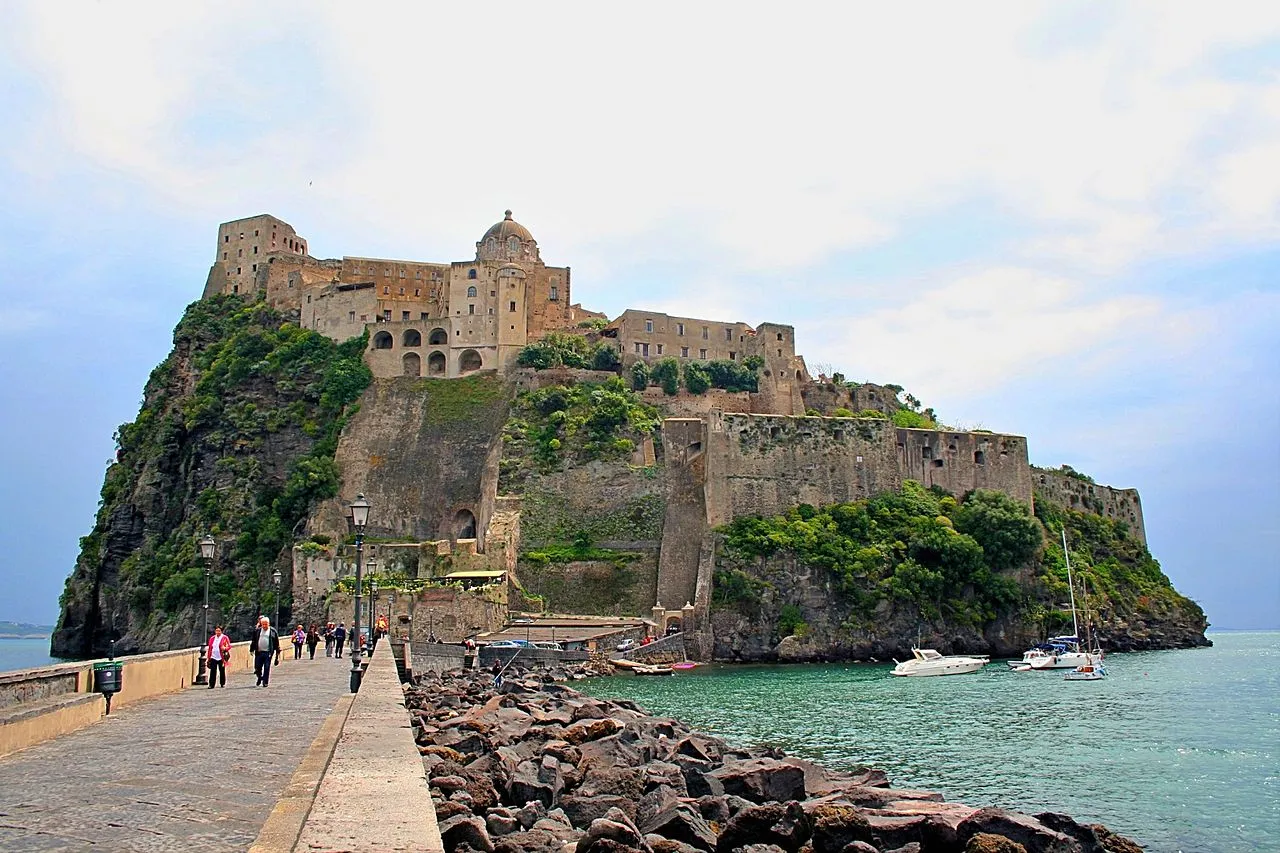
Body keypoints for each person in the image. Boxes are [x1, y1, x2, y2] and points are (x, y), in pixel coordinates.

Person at [251, 616, 281, 686]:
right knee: (257, 668)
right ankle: (259, 677)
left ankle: (265, 682)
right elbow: (254, 640)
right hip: (259, 652)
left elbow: (276, 642)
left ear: (268, 624)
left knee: (267, 667)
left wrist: (277, 652)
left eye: (266, 624)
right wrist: (251, 649)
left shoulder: (273, 631)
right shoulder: (257, 631)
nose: (264, 626)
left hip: (268, 652)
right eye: (263, 624)